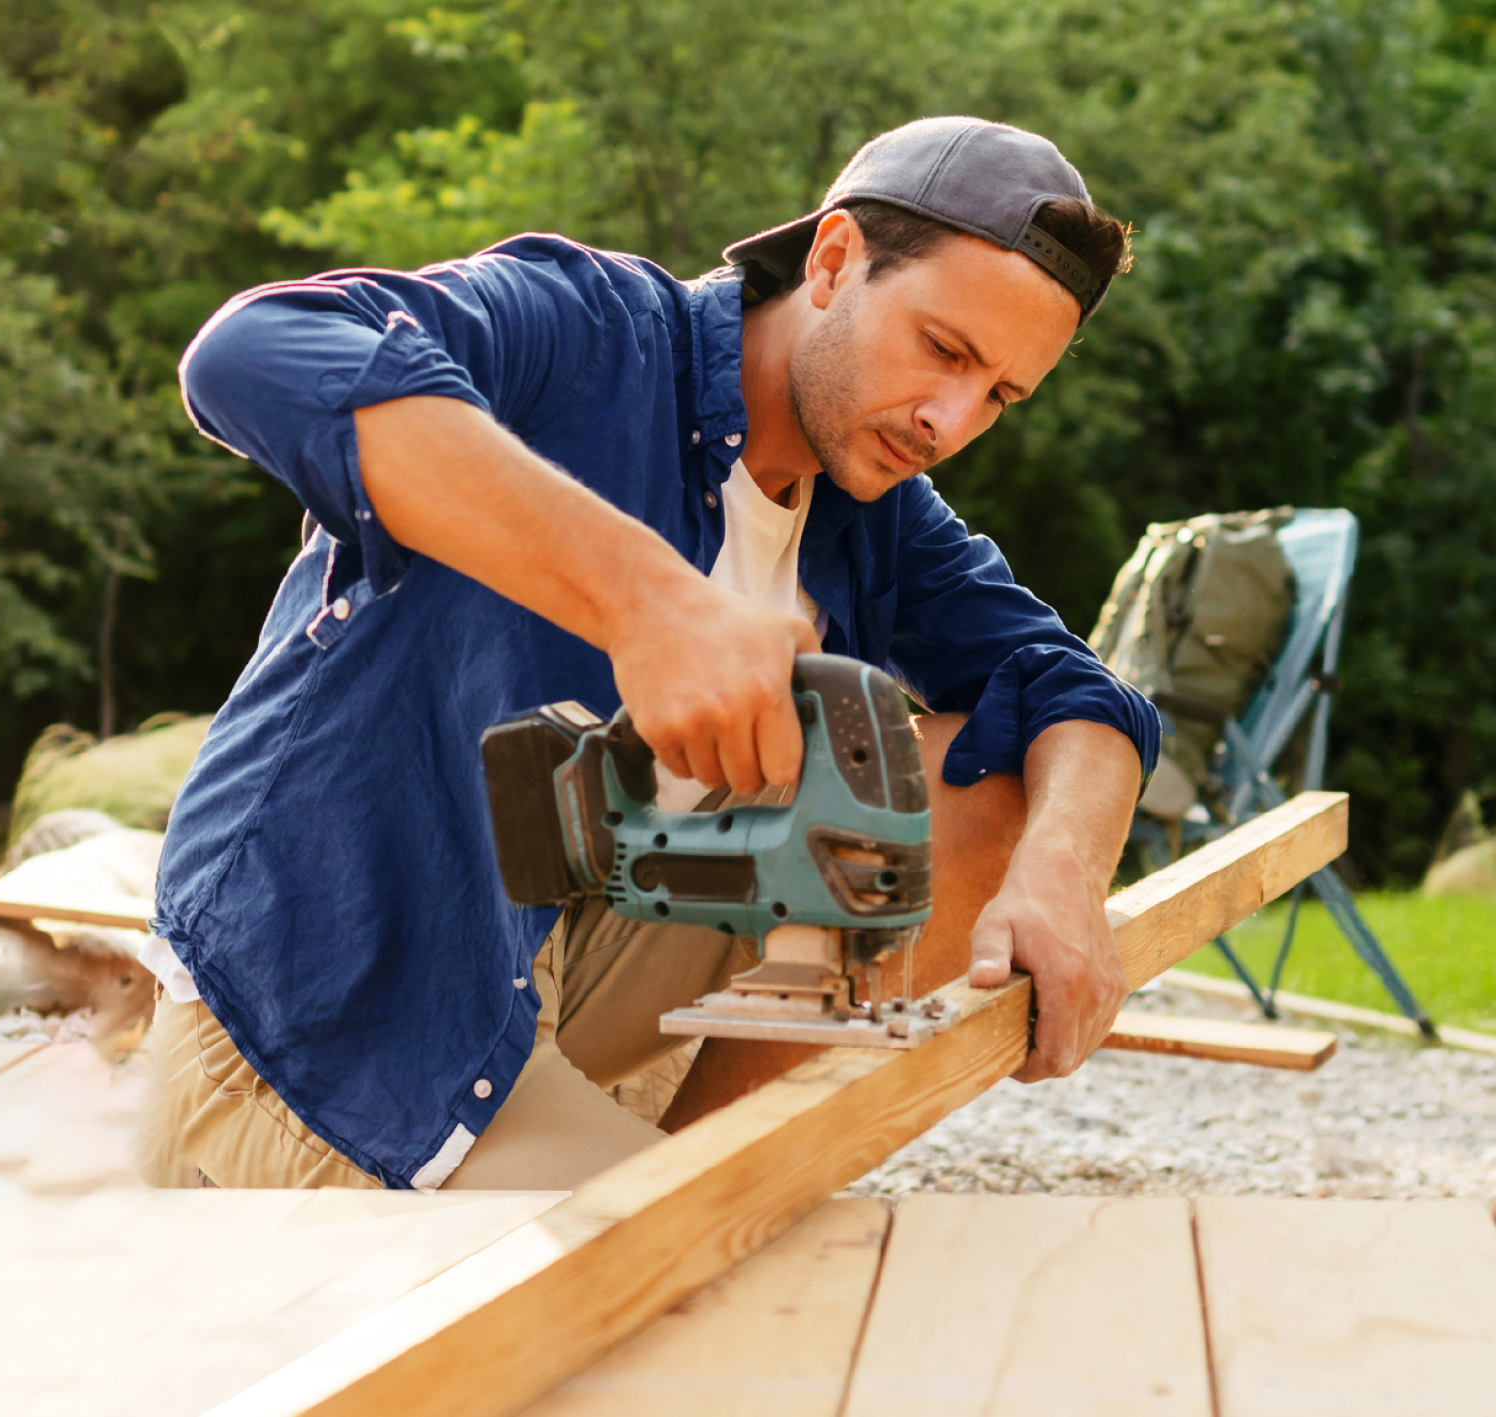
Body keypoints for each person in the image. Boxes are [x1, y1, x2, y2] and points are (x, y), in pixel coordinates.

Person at [137, 116, 1160, 1191]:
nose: (949, 420)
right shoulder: (589, 334)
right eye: (944, 349)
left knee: (985, 786)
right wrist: (647, 602)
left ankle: (704, 1176)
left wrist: (1064, 874)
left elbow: (1076, 695)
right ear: (831, 261)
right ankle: (663, 1210)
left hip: (560, 979)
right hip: (342, 1012)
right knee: (731, 1287)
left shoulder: (875, 514)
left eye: (999, 395)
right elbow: (255, 350)